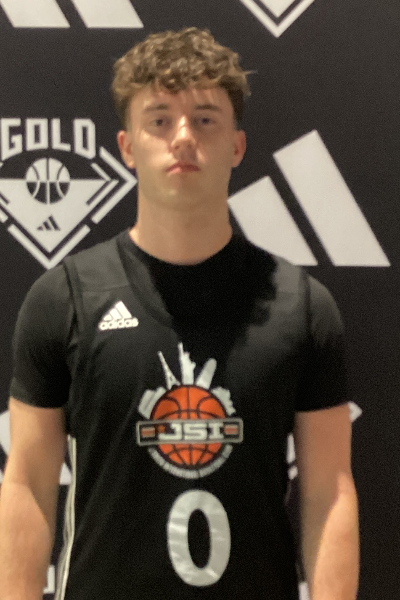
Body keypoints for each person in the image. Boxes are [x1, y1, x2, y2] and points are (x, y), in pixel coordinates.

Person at [0, 27, 359, 600]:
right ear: (126, 147)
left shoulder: (301, 307)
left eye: (205, 119)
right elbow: (28, 487)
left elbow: (329, 493)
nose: (184, 137)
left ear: (237, 146)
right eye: (160, 120)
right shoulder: (64, 299)